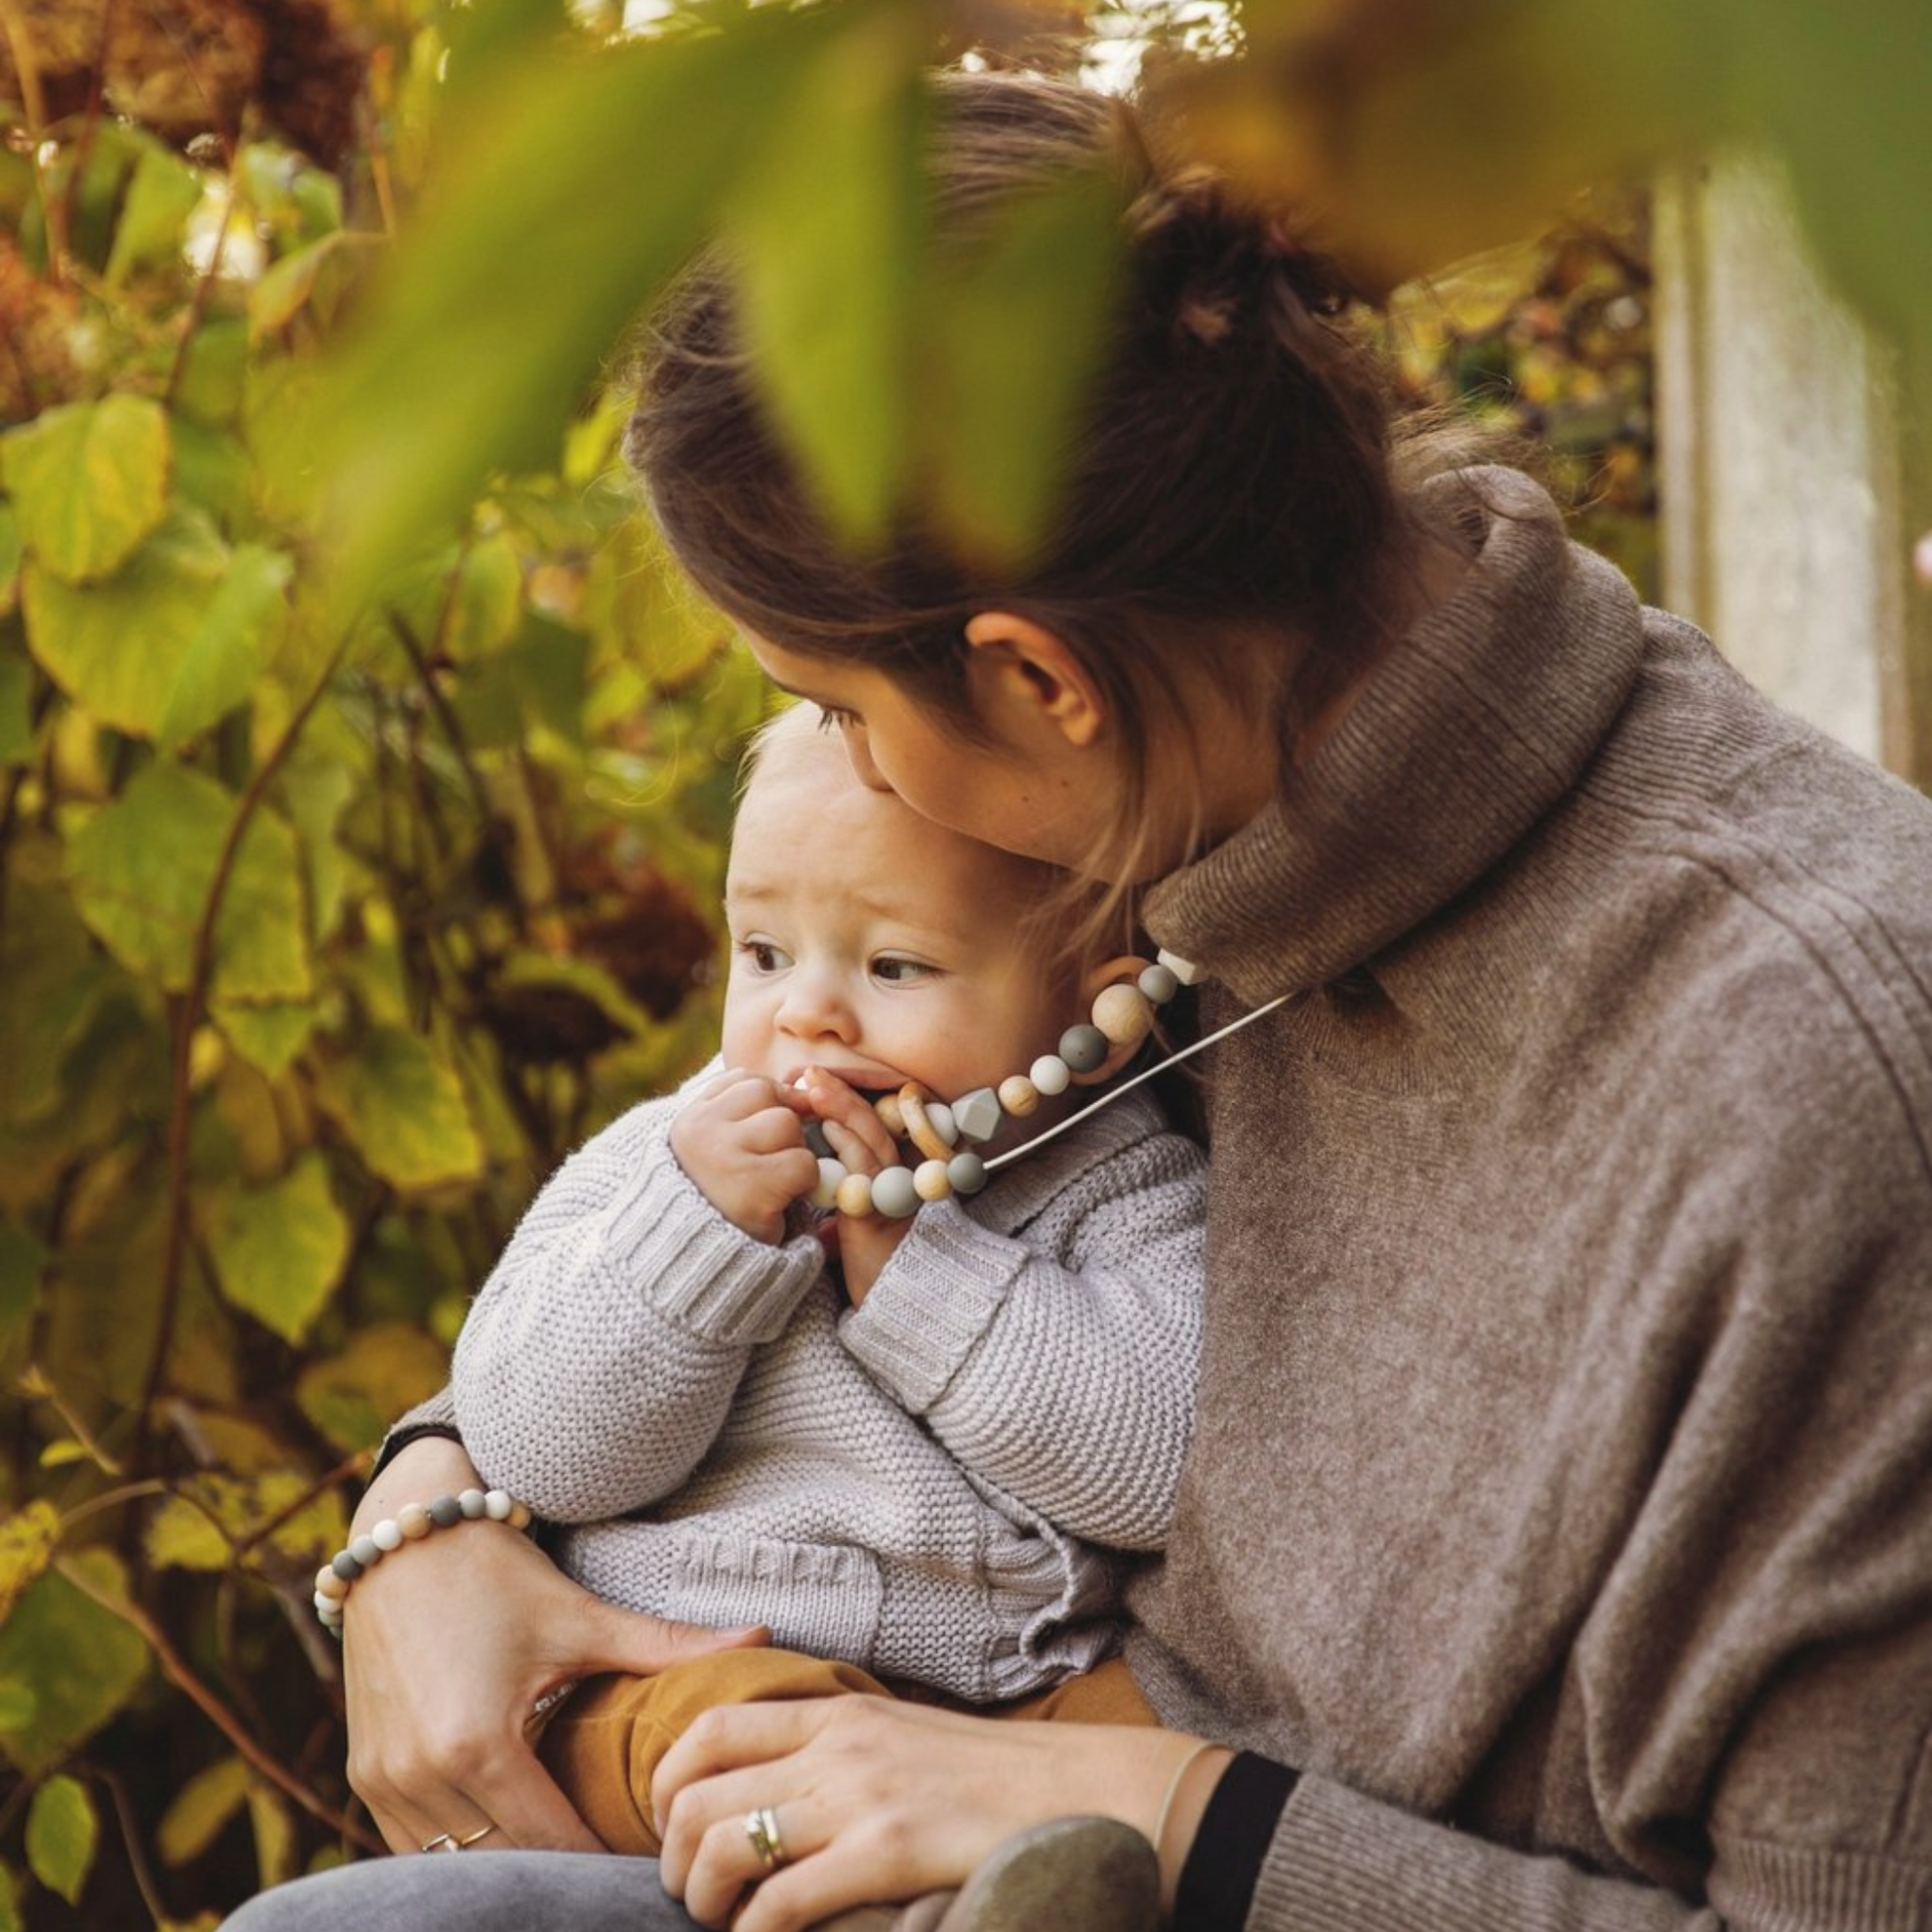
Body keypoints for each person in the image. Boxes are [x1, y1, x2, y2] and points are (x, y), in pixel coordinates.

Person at [223, 64, 1932, 1932]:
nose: (854, 804)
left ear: (1039, 684)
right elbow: (737, 1248)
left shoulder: (1803, 1076)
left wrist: (1165, 1809)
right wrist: (431, 1516)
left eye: (851, 717)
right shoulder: (1186, 789)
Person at [431, 703, 1204, 1888]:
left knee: (1172, 1748)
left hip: (1006, 1705)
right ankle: (897, 1916)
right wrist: (696, 1238)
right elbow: (535, 1447)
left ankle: (1028, 1893)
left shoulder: (1121, 1181)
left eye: (893, 965)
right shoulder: (663, 1165)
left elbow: (1167, 1467)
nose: (805, 1014)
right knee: (742, 1739)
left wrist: (919, 1274)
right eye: (761, 953)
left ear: (1094, 1020)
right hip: (693, 1665)